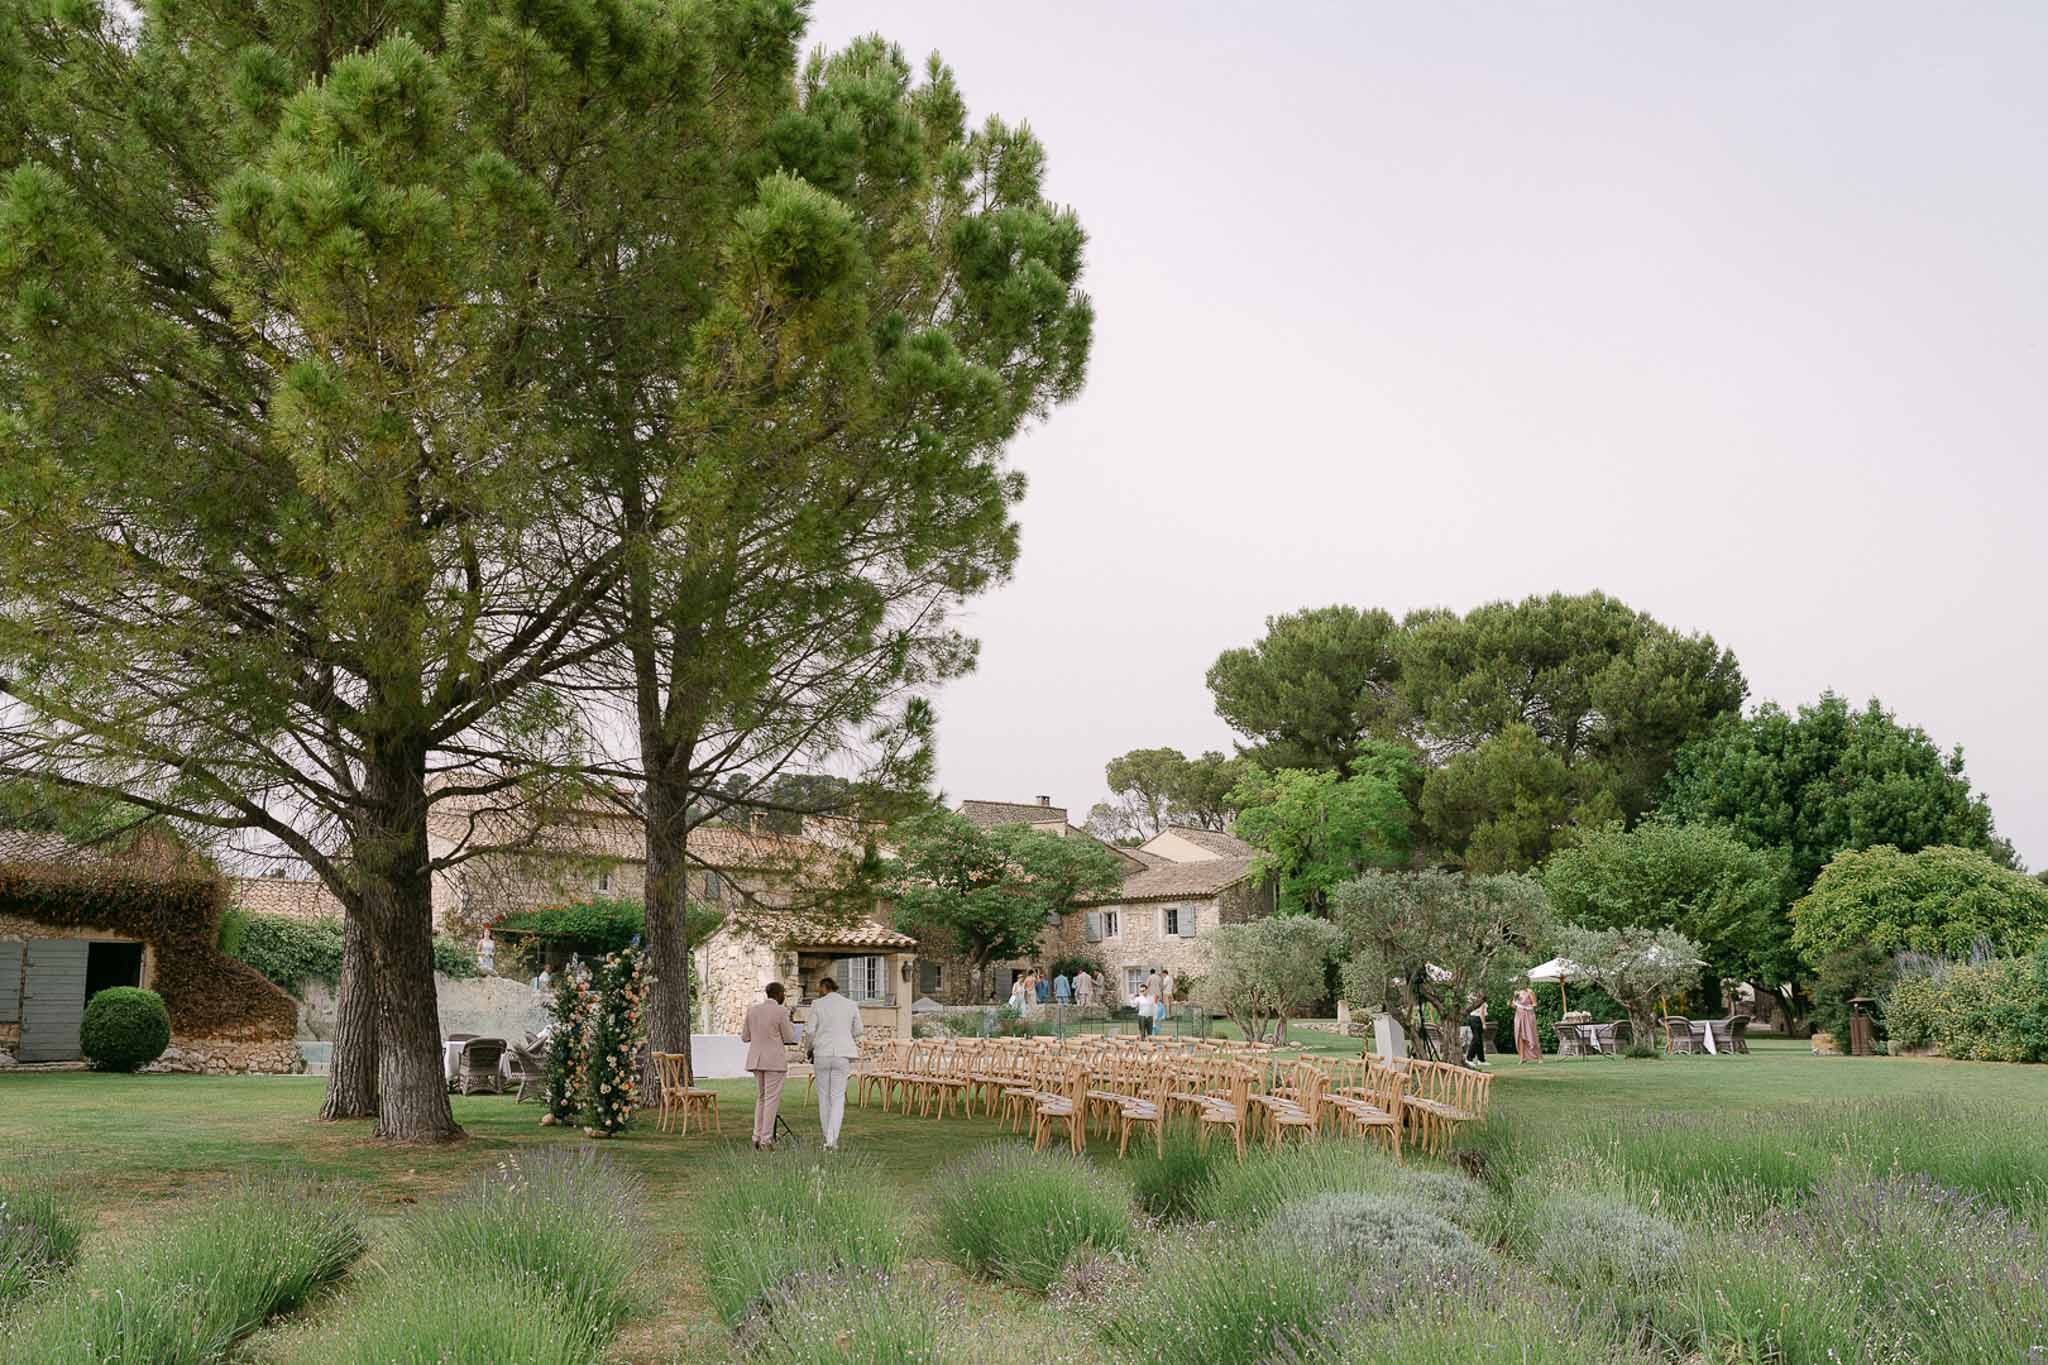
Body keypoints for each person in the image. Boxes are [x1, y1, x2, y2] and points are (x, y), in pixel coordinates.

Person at [807, 975, 864, 1151]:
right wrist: (845, 1037)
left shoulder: (818, 1005)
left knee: (824, 1097)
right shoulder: (850, 1004)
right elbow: (859, 1030)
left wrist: (808, 1049)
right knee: (838, 1097)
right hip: (842, 1054)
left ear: (824, 988)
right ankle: (832, 1140)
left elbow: (809, 1031)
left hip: (822, 1053)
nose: (818, 992)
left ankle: (828, 1138)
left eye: (819, 989)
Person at [741, 982, 798, 1150]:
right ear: (779, 994)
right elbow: (788, 1037)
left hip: (756, 1059)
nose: (784, 996)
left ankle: (756, 1136)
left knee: (761, 1098)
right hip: (773, 1060)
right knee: (771, 1099)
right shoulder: (781, 1011)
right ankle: (766, 1139)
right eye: (784, 993)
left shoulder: (752, 1010)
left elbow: (745, 1037)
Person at [1513, 986, 1542, 1063]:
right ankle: (1522, 1058)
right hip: (1518, 1015)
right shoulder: (1516, 992)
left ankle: (1539, 1057)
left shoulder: (1530, 992)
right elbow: (1513, 1006)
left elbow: (1535, 1004)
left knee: (1532, 1035)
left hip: (1528, 1015)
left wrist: (1527, 1007)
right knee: (1520, 1036)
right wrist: (1512, 999)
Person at [1464, 997, 1489, 1067]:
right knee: (1476, 1040)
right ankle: (1469, 1059)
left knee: (1479, 1040)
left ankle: (1481, 1060)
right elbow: (1481, 1013)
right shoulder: (1481, 1001)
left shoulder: (1476, 1001)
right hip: (1476, 1020)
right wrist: (1484, 1024)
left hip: (1474, 1019)